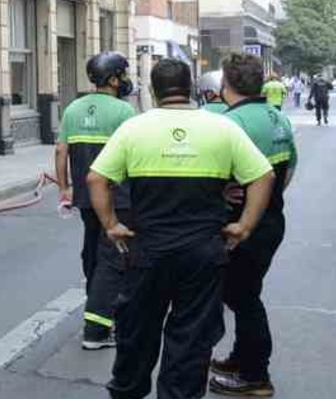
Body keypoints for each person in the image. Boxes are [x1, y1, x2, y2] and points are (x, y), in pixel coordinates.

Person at [88, 58, 275, 399]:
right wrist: (244, 225)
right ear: (190, 87)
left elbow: (96, 178)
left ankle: (128, 392)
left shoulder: (134, 128)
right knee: (191, 341)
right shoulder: (222, 128)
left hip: (147, 252)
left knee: (137, 333)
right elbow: (264, 175)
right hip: (203, 255)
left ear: (152, 89)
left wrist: (111, 225)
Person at [210, 54, 298, 397]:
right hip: (272, 219)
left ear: (225, 85)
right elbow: (287, 170)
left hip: (241, 226)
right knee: (244, 293)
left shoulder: (231, 123)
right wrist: (267, 199)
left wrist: (227, 196)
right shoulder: (278, 118)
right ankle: (241, 358)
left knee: (243, 298)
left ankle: (255, 376)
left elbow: (215, 176)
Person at [55, 52, 138, 350]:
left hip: (85, 198)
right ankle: (100, 324)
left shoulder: (73, 109)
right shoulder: (123, 112)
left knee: (92, 251)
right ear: (113, 79)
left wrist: (64, 188)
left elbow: (61, 151)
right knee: (115, 258)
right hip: (117, 198)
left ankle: (96, 304)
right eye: (123, 75)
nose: (126, 81)